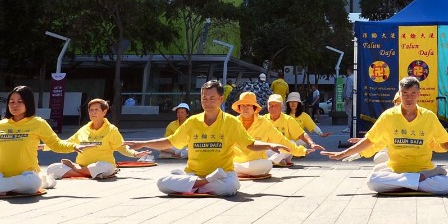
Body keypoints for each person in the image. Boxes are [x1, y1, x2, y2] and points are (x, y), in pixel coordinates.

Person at [322, 76, 448, 194]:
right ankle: (418, 181)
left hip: (422, 168)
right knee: (372, 180)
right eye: (405, 94)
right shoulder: (388, 116)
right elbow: (370, 141)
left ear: (418, 94)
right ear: (399, 94)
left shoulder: (429, 116)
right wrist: (343, 154)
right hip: (399, 171)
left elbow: (446, 143)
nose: (408, 98)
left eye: (413, 94)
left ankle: (408, 183)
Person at [124, 81, 289, 196]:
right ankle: (202, 184)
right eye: (204, 98)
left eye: (212, 98)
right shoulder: (193, 121)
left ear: (221, 99)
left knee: (231, 185)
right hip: (194, 174)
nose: (207, 102)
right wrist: (142, 143)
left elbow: (250, 144)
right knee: (162, 182)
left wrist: (270, 145)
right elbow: (171, 142)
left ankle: (193, 186)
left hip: (223, 175)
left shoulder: (231, 122)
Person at [0, 86, 87, 198]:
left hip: (27, 176)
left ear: (28, 103)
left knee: (31, 184)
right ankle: (7, 187)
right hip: (2, 176)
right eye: (11, 102)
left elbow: (56, 144)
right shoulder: (1, 125)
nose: (15, 105)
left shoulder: (38, 123)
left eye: (20, 101)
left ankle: (1, 187)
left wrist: (73, 146)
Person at [46, 98, 148, 180]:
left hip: (102, 166)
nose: (93, 112)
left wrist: (135, 154)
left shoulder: (111, 129)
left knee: (103, 167)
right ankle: (85, 172)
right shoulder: (83, 129)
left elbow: (121, 147)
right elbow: (66, 143)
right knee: (51, 169)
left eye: (96, 110)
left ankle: (76, 169)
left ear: (104, 112)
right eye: (91, 110)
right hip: (84, 165)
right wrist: (45, 146)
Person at [231, 91, 304, 175]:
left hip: (256, 162)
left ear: (254, 107)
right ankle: (235, 170)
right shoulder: (233, 122)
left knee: (267, 164)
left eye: (248, 105)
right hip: (237, 161)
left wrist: (301, 151)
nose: (245, 108)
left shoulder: (264, 122)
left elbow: (281, 140)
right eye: (242, 105)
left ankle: (234, 170)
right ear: (239, 108)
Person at [264, 94, 321, 160]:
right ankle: (273, 161)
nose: (273, 108)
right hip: (268, 148)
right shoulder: (262, 120)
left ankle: (270, 161)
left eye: (276, 105)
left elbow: (301, 134)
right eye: (270, 105)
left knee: (290, 144)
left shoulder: (288, 119)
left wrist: (312, 143)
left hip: (284, 148)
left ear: (281, 107)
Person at [342, 67, 355, 134]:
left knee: (349, 113)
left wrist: (347, 98)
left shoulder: (350, 78)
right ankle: (351, 126)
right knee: (352, 113)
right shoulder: (355, 78)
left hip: (349, 99)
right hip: (353, 98)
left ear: (348, 70)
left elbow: (348, 89)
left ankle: (349, 127)